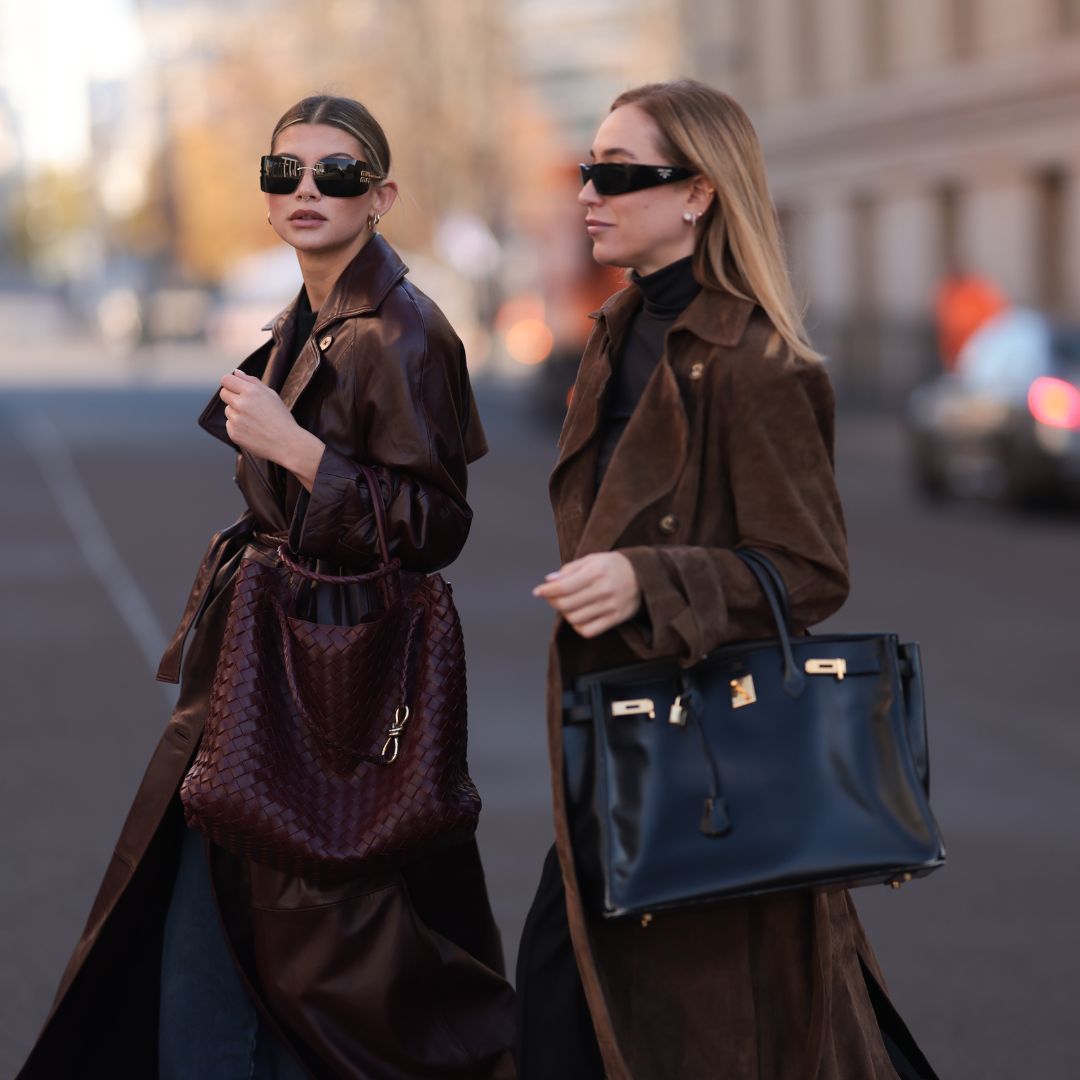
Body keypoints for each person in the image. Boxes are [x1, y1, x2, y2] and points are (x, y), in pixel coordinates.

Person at [19, 94, 514, 1080]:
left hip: (333, 688)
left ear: (381, 195)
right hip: (271, 665)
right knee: (228, 939)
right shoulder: (312, 312)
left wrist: (300, 454)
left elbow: (438, 523)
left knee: (304, 958)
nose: (306, 191)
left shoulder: (402, 331)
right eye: (284, 171)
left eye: (337, 172)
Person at [518, 79, 937, 1079]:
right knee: (566, 1008)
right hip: (619, 742)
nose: (590, 192)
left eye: (620, 173)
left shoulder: (757, 362)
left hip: (708, 760)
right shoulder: (615, 334)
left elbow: (811, 568)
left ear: (698, 193)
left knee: (692, 1030)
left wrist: (650, 581)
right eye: (590, 168)